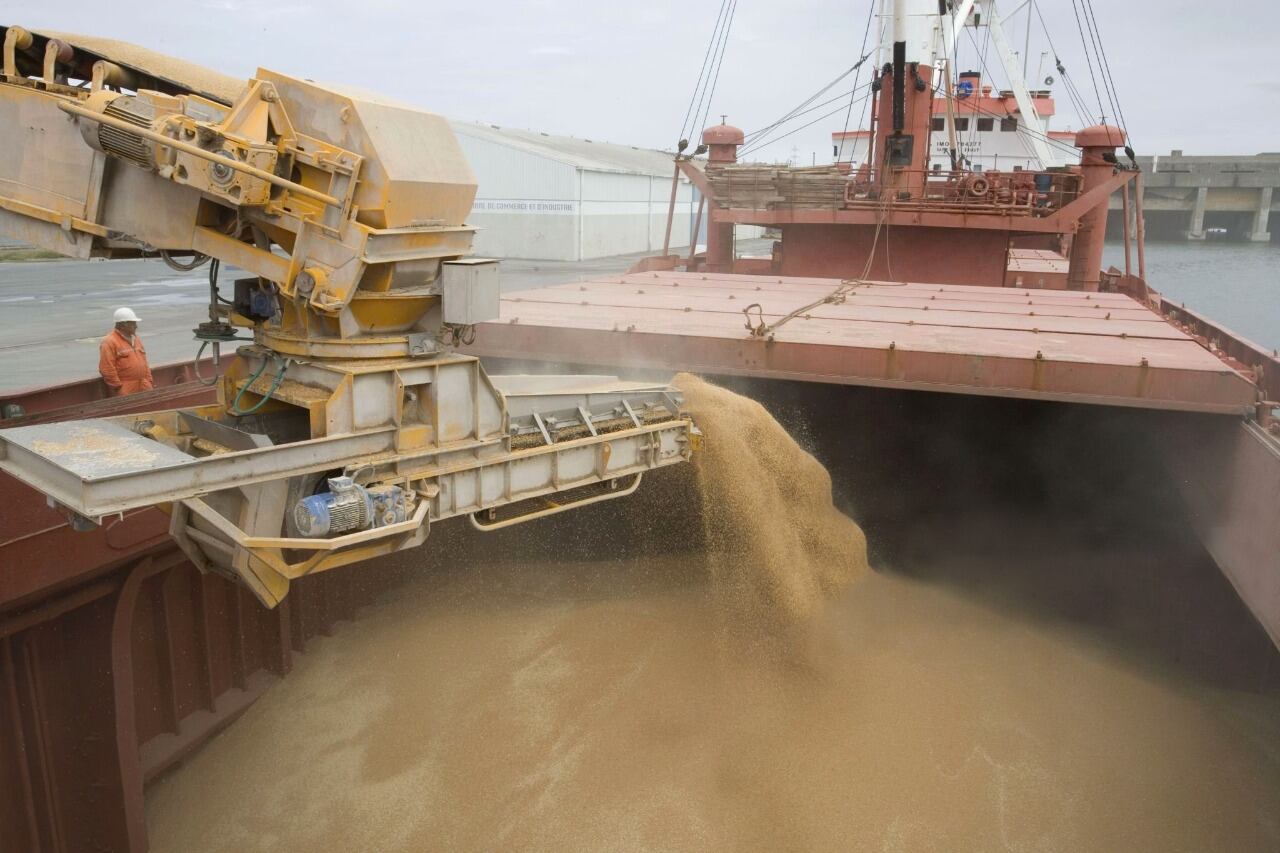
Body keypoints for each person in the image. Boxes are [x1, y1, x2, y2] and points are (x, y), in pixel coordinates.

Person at [99, 307, 154, 396]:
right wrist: (118, 387)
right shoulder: (109, 341)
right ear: (123, 325)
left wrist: (149, 380)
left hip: (144, 384)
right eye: (133, 323)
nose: (136, 326)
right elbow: (106, 368)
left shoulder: (136, 339)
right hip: (126, 387)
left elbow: (144, 362)